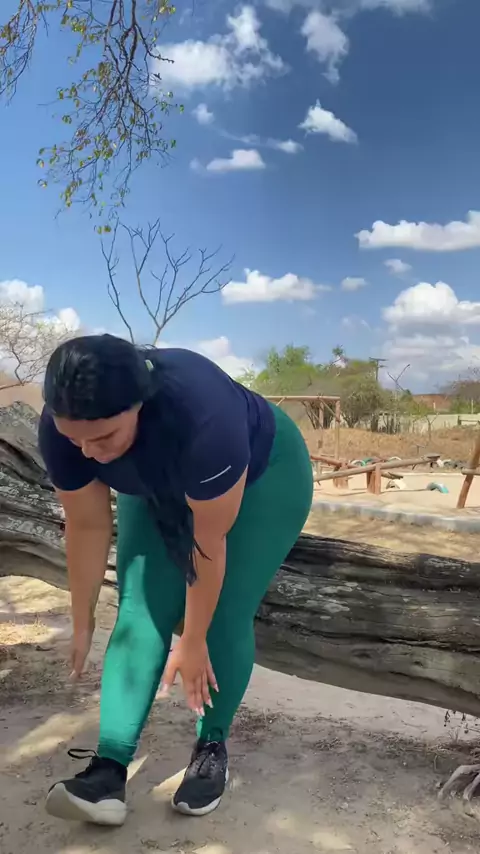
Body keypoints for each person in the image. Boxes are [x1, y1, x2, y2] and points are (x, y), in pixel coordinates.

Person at [38, 334, 313, 827]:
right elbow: (87, 524)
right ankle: (107, 770)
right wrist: (81, 621)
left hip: (265, 474)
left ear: (138, 405)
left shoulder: (203, 414)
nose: (88, 452)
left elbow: (207, 543)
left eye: (103, 437)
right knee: (139, 606)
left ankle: (211, 747)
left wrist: (193, 639)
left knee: (223, 612)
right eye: (75, 439)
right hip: (155, 474)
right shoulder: (68, 427)